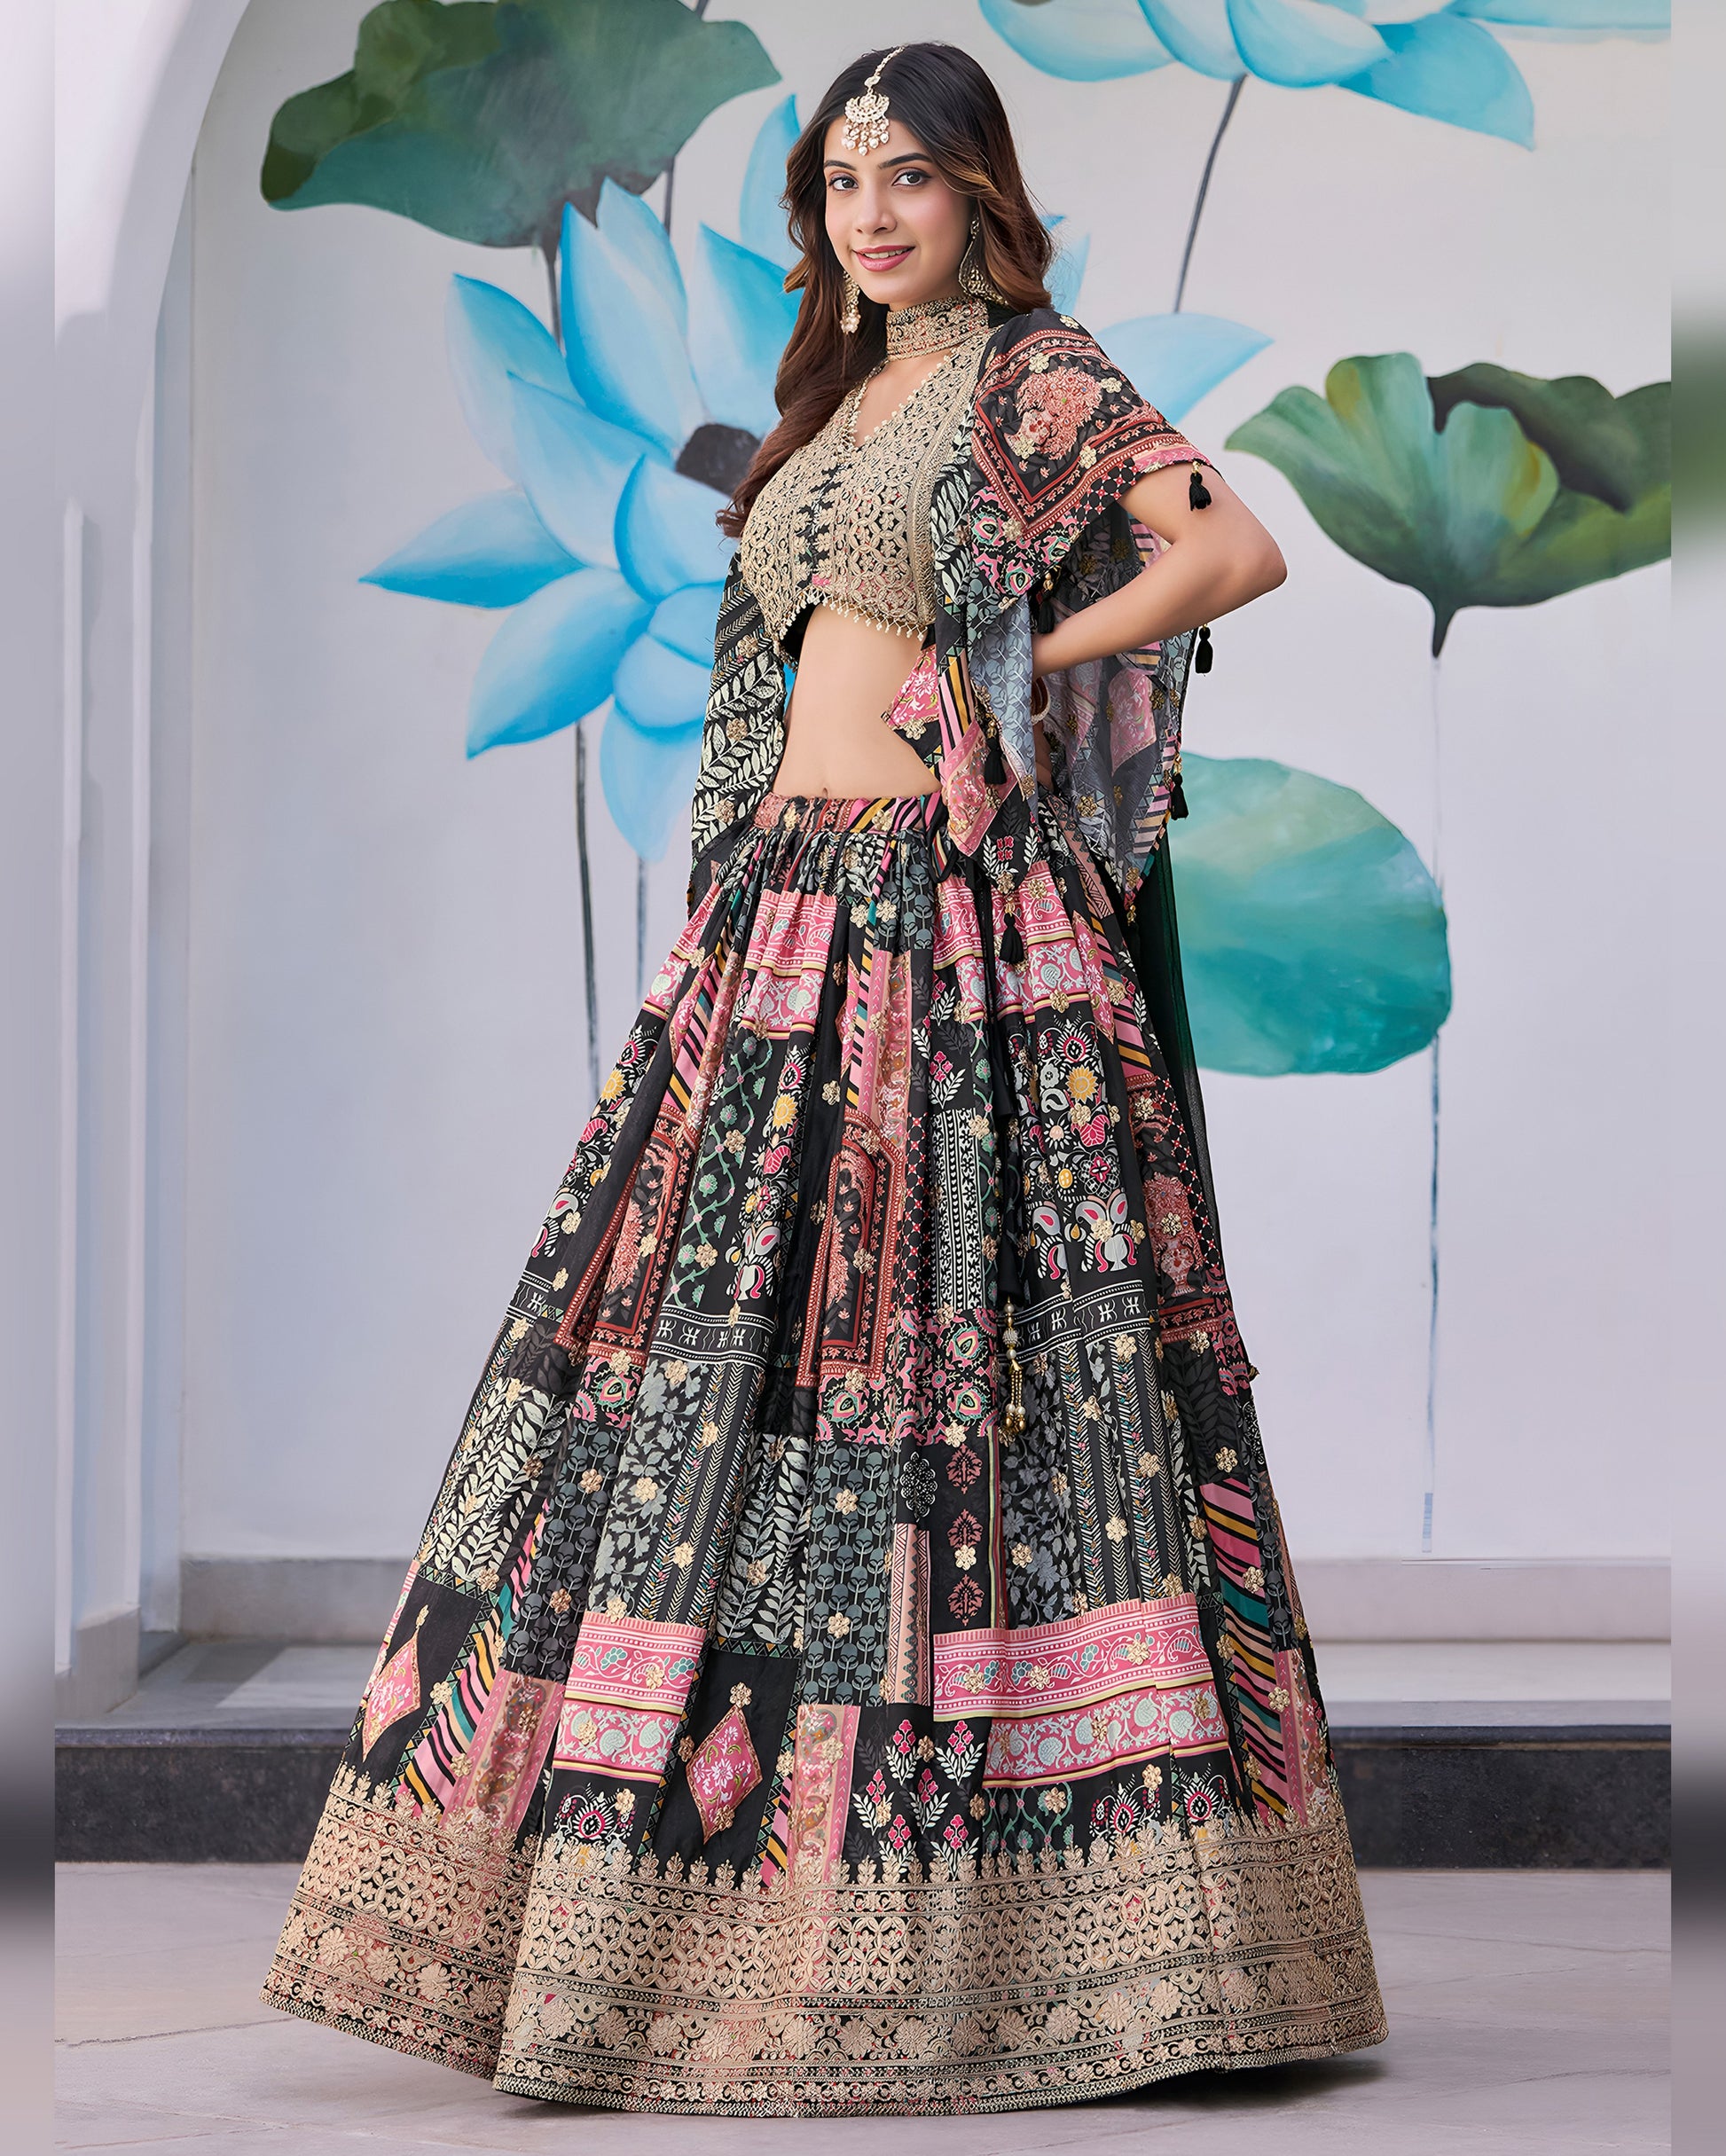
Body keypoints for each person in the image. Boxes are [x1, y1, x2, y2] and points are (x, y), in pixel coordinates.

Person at [263, 40, 1387, 2116]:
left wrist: (1017, 666)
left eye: (912, 175)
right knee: (671, 1402)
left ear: (979, 193)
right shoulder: (829, 401)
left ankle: (1059, 1946)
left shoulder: (1032, 375)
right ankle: (655, 1922)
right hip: (775, 939)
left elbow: (1227, 557)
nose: (874, 212)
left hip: (949, 946)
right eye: (844, 177)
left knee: (972, 1412)